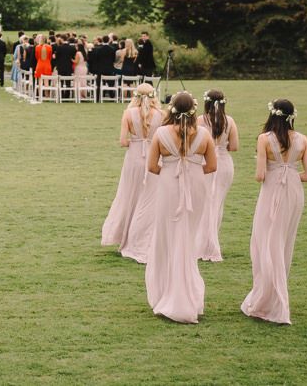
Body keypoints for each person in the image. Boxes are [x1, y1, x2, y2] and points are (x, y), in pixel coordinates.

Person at [145, 92, 217, 323]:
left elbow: (152, 167)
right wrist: (192, 171)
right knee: (187, 237)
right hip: (196, 188)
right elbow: (212, 166)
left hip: (169, 187)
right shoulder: (204, 134)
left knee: (168, 237)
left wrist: (172, 170)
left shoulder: (161, 133)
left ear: (171, 109)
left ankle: (169, 292)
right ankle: (186, 293)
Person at [241, 99, 307, 325]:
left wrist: (277, 172)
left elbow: (260, 175)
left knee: (263, 243)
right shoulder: (302, 139)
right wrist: (290, 174)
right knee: (283, 243)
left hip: (272, 192)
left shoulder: (264, 139)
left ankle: (267, 298)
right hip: (293, 195)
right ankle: (273, 294)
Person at [102, 84, 164, 260]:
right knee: (150, 199)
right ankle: (146, 238)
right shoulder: (162, 114)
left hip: (134, 159)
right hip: (154, 157)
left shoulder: (128, 113)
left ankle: (128, 236)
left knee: (130, 196)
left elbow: (123, 141)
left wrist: (137, 142)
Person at [195, 89, 239, 262]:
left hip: (205, 163)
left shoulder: (200, 120)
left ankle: (204, 245)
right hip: (224, 165)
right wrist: (220, 146)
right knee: (216, 204)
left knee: (204, 204)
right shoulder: (230, 121)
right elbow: (234, 146)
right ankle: (210, 243)